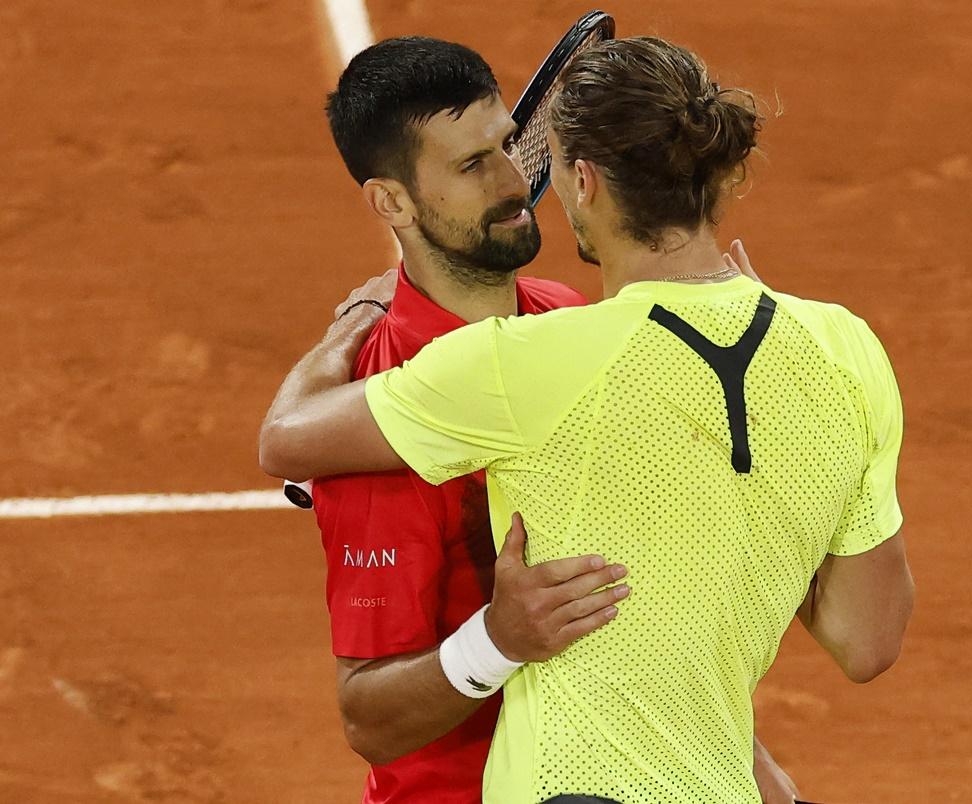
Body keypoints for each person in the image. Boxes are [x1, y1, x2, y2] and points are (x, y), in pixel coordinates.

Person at [263, 35, 914, 803]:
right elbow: (369, 721)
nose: (515, 181)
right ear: (392, 203)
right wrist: (496, 642)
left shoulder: (560, 327)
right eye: (473, 165)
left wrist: (752, 766)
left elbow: (658, 578)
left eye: (511, 144)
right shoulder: (405, 391)